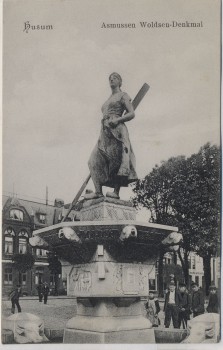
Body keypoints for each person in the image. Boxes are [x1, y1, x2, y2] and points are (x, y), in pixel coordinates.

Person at [87, 72, 137, 200]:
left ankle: (116, 192)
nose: (111, 79)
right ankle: (98, 191)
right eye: (110, 78)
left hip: (117, 131)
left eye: (114, 78)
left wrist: (118, 120)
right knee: (93, 160)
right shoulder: (108, 99)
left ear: (120, 81)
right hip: (104, 133)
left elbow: (131, 113)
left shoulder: (123, 95)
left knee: (116, 161)